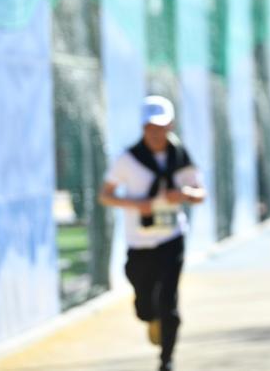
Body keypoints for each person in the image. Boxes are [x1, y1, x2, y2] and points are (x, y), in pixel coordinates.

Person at [99, 96, 205, 371]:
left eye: (161, 127)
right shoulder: (128, 159)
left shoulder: (180, 156)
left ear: (171, 125)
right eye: (150, 128)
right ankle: (150, 318)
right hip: (139, 242)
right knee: (145, 305)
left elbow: (200, 193)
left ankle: (166, 360)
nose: (156, 133)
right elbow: (106, 195)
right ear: (143, 128)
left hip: (171, 239)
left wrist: (183, 194)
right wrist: (136, 203)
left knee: (169, 302)